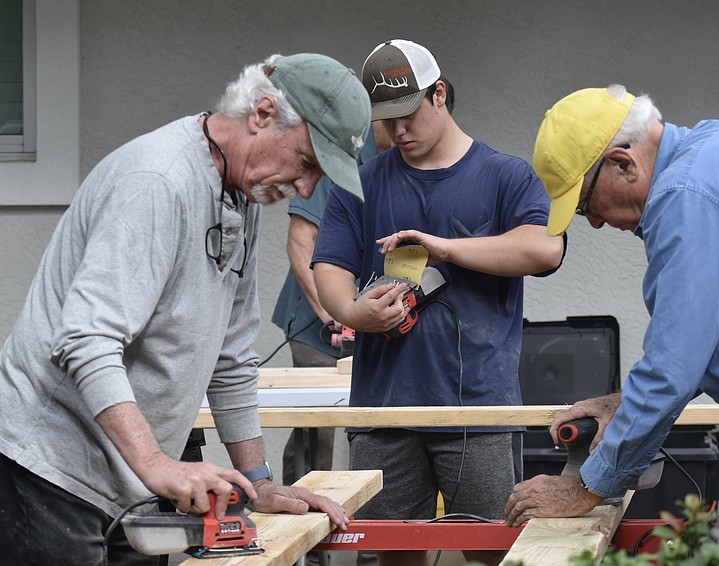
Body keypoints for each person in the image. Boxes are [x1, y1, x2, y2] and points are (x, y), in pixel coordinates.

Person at [0, 52, 371, 565]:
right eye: (307, 162)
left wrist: (258, 484)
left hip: (134, 480)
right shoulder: (158, 182)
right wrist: (158, 464)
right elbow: (86, 341)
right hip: (50, 473)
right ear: (263, 114)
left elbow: (232, 355)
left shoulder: (241, 192)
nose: (305, 189)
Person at [505, 84, 719, 526]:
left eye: (586, 202)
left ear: (622, 163)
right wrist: (622, 403)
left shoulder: (687, 192)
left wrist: (584, 486)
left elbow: (675, 364)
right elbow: (716, 336)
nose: (593, 222)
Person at [312, 39, 565, 566]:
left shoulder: (504, 175)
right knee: (394, 553)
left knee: (495, 551)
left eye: (406, 114)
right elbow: (329, 269)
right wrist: (355, 312)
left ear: (440, 95)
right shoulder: (359, 184)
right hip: (384, 411)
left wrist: (444, 248)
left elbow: (543, 249)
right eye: (384, 119)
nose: (397, 131)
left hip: (479, 407)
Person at [272, 121, 392, 487]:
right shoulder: (343, 155)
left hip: (379, 327)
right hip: (321, 329)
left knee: (381, 435)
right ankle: (308, 540)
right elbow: (299, 241)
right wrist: (334, 314)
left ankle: (369, 541)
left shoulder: (412, 158)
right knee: (317, 442)